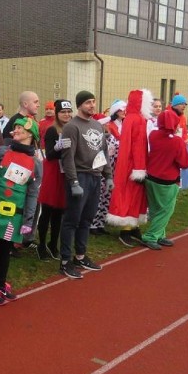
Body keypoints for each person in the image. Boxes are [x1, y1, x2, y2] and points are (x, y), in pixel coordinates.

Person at [0, 117, 42, 304]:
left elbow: (32, 194)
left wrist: (28, 221)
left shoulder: (36, 163)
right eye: (15, 127)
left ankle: (0, 284)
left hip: (15, 213)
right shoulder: (1, 152)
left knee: (5, 249)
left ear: (31, 134)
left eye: (20, 128)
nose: (15, 130)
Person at [58, 91, 111, 279]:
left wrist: (108, 176)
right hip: (80, 177)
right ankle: (65, 261)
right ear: (80, 105)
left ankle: (80, 255)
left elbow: (103, 152)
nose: (92, 105)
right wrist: (73, 182)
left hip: (95, 177)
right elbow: (68, 157)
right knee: (72, 220)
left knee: (87, 219)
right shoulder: (71, 127)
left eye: (93, 102)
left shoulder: (97, 125)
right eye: (88, 102)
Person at [107, 88, 153, 247]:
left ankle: (134, 227)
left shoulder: (133, 118)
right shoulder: (137, 120)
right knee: (131, 195)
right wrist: (140, 168)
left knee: (135, 196)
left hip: (129, 164)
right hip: (133, 166)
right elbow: (137, 147)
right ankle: (126, 230)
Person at [142, 109, 188, 250]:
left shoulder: (153, 135)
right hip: (167, 181)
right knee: (165, 211)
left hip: (151, 178)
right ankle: (151, 236)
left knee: (156, 209)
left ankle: (159, 235)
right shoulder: (177, 142)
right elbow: (185, 163)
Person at [37, 99, 73, 260]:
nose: (66, 114)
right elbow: (49, 154)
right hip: (53, 172)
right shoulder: (52, 130)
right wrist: (59, 147)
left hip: (66, 172)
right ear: (57, 113)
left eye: (68, 111)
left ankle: (53, 244)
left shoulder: (72, 128)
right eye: (63, 112)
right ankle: (42, 244)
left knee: (60, 210)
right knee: (48, 210)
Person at [91, 99, 126, 235]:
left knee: (106, 197)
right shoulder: (99, 137)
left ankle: (100, 223)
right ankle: (92, 225)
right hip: (100, 171)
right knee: (98, 198)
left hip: (110, 171)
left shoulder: (110, 136)